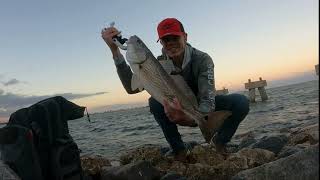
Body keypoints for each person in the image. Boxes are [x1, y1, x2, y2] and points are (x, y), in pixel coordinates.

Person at [101, 18, 249, 159]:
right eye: (166, 40)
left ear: (185, 37)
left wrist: (193, 119)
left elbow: (207, 99)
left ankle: (220, 142)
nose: (171, 43)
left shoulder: (203, 59)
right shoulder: (158, 63)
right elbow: (131, 88)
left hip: (200, 108)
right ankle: (179, 150)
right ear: (161, 42)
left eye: (175, 38)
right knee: (154, 102)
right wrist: (115, 52)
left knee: (241, 101)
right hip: (174, 107)